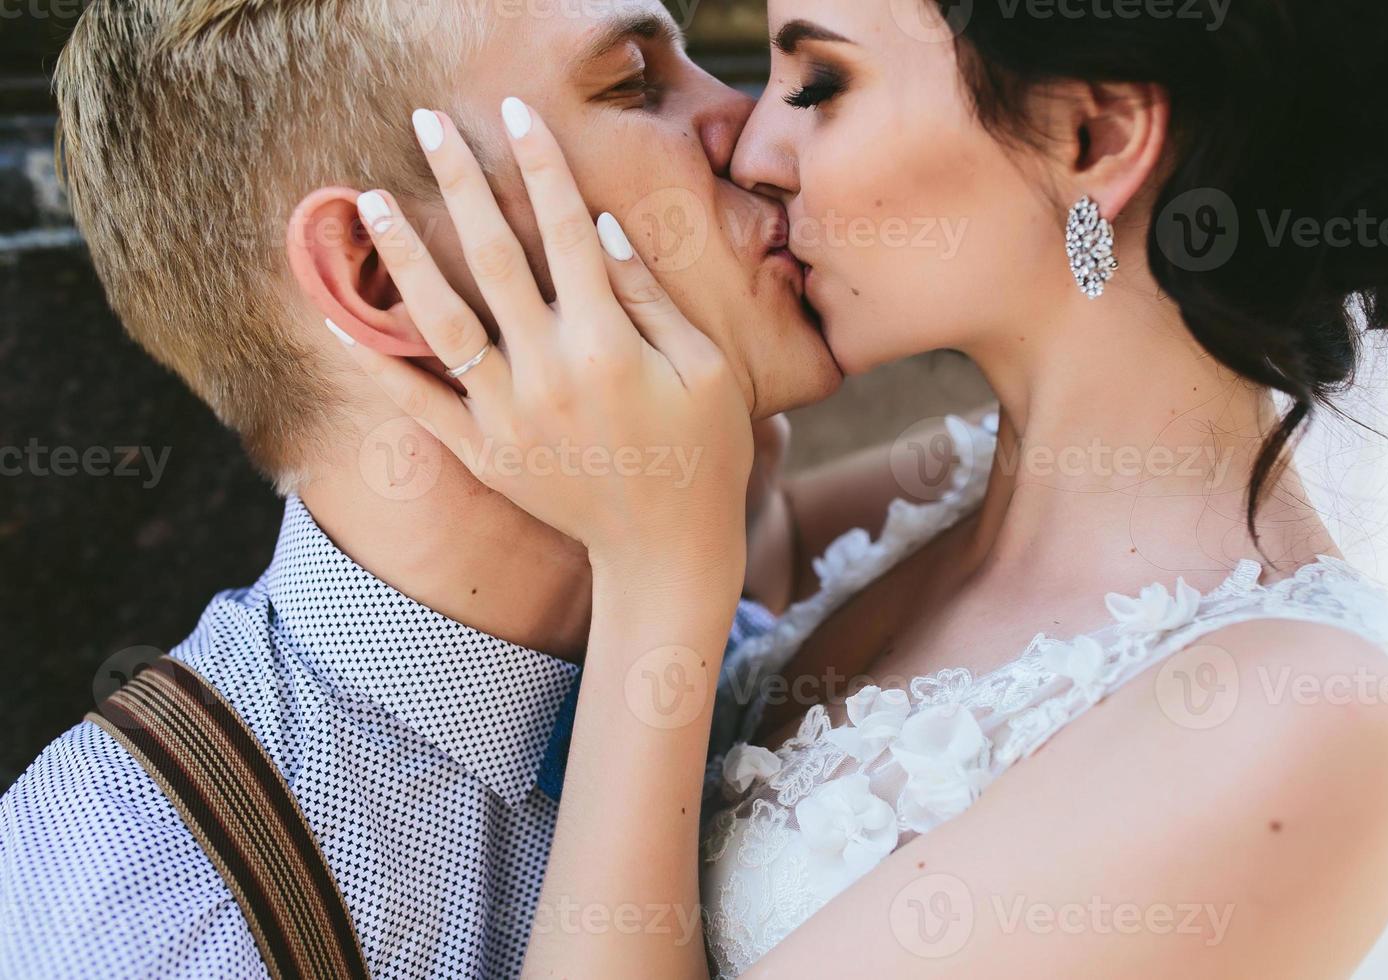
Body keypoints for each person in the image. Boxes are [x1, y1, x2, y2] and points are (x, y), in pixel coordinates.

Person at [358, 0, 1388, 976]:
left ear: (1095, 137)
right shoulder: (950, 482)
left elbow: (681, 553)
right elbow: (731, 514)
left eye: (823, 83)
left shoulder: (1291, 724)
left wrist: (662, 576)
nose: (754, 146)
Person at [0, 2, 939, 977]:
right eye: (631, 82)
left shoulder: (785, 588)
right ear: (382, 277)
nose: (754, 128)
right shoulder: (127, 910)